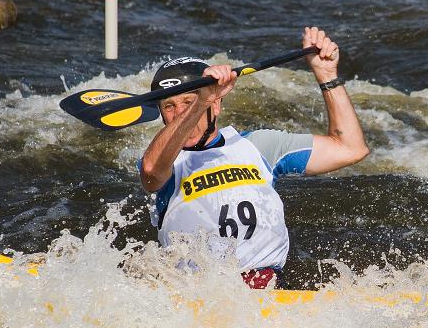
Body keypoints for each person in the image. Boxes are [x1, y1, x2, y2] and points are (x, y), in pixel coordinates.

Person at [139, 27, 369, 288]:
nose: (178, 112)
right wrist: (199, 102)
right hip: (195, 295)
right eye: (169, 105)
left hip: (264, 289)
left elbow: (350, 148)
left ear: (216, 104)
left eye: (188, 102)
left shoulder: (258, 145)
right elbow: (150, 172)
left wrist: (326, 75)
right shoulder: (164, 159)